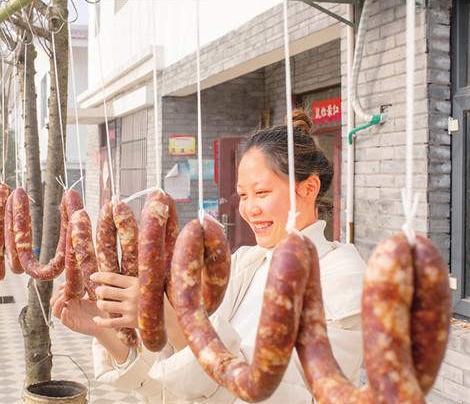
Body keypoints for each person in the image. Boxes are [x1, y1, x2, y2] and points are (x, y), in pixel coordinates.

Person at [51, 109, 366, 403]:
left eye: (262, 193)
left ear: (309, 188)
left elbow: (278, 392)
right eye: (243, 195)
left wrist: (168, 318)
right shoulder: (244, 263)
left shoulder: (344, 276)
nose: (249, 208)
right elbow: (174, 385)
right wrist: (106, 329)